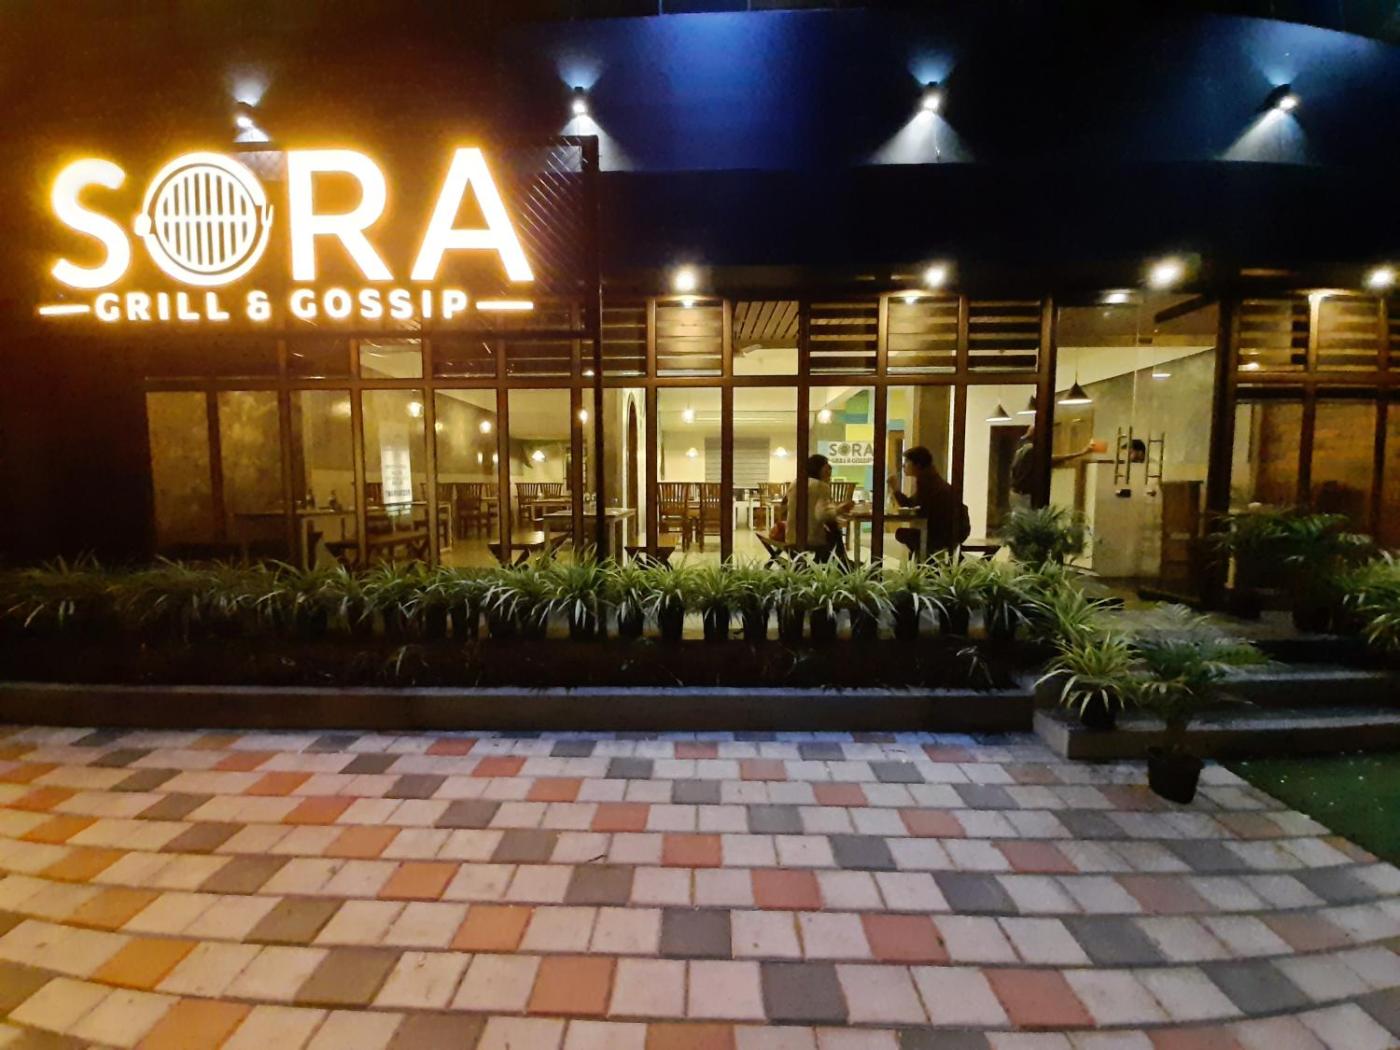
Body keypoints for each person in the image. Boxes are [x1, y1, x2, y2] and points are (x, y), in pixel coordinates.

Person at [887, 447, 968, 558]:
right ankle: (925, 559)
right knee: (910, 535)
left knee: (902, 534)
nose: (903, 465)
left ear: (918, 465)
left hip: (946, 533)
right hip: (958, 529)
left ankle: (926, 561)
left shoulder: (927, 482)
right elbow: (915, 505)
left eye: (907, 461)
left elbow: (912, 505)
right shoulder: (931, 478)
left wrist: (895, 489)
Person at [784, 453, 853, 564]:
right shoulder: (820, 486)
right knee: (834, 529)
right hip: (810, 537)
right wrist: (839, 509)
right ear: (819, 469)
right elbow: (822, 515)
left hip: (791, 536)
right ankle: (840, 563)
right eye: (827, 469)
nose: (829, 472)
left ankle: (833, 561)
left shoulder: (795, 483)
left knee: (832, 529)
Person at [1009, 422, 1096, 509]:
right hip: (1024, 496)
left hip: (1018, 493)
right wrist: (1082, 453)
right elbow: (1053, 460)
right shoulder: (1031, 449)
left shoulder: (1022, 445)